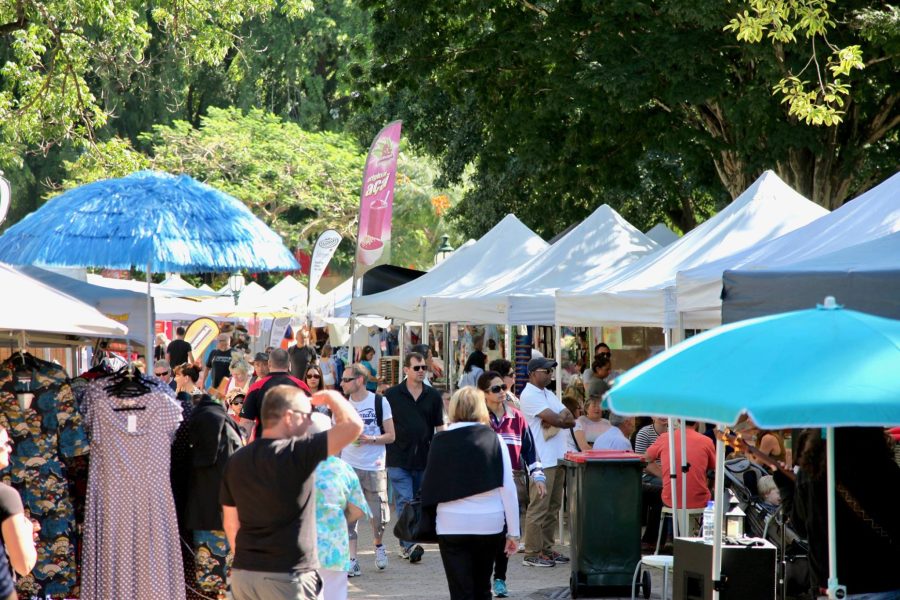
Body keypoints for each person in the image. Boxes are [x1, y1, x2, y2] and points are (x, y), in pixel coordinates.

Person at [220, 387, 363, 600]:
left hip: (244, 575)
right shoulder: (298, 453)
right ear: (289, 417)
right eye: (305, 416)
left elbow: (231, 524)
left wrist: (248, 560)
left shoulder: (236, 460)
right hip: (287, 575)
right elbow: (353, 427)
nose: (308, 423)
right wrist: (333, 398)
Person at [774, 428, 900, 598]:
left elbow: (801, 527)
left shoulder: (812, 473)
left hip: (831, 583)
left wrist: (785, 486)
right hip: (883, 580)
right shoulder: (886, 469)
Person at [420, 387, 520, 600]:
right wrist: (513, 532)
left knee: (460, 590)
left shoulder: (440, 441)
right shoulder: (495, 440)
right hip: (489, 523)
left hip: (451, 523)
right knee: (482, 587)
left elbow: (430, 484)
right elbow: (508, 489)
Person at [478, 371, 545, 598]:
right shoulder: (477, 419)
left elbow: (529, 450)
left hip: (511, 482)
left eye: (503, 387)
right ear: (483, 394)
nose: (501, 392)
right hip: (482, 483)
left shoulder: (517, 417)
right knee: (486, 533)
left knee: (506, 533)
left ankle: (500, 578)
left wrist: (538, 476)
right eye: (495, 389)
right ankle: (482, 578)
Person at [383, 351, 445, 564]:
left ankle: (406, 541)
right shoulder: (391, 396)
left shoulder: (433, 396)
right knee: (405, 500)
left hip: (424, 459)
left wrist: (442, 453)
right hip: (398, 457)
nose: (421, 371)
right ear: (406, 370)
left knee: (418, 502)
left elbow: (440, 428)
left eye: (423, 368)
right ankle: (409, 546)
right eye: (416, 368)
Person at [185, 391, 243, 599]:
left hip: (205, 514)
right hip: (229, 512)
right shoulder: (226, 424)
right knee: (229, 581)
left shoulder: (201, 422)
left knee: (212, 581)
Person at [340, 363, 395, 576]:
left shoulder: (380, 402)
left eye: (346, 380)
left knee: (378, 517)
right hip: (349, 466)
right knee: (349, 515)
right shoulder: (342, 406)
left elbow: (391, 435)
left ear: (360, 380)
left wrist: (370, 438)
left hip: (374, 466)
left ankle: (379, 545)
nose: (342, 384)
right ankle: (352, 560)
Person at [519, 357, 575, 568]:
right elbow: (559, 420)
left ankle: (547, 549)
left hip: (557, 456)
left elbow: (569, 417)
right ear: (533, 373)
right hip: (541, 460)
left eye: (551, 371)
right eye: (546, 371)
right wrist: (559, 419)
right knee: (539, 506)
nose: (550, 374)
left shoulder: (548, 393)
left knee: (553, 507)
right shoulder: (529, 395)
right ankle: (532, 553)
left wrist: (561, 419)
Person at [309, 413, 370, 600]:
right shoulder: (342, 468)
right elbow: (358, 509)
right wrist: (336, 519)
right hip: (335, 546)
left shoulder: (288, 465)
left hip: (300, 547)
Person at [0, 427, 38, 598]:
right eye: (5, 443)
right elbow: (23, 564)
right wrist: (27, 533)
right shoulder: (6, 497)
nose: (10, 448)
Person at [239, 349, 309, 441]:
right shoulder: (301, 386)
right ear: (289, 365)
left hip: (264, 446)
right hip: (294, 447)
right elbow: (312, 419)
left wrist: (240, 449)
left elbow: (246, 423)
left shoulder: (256, 387)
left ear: (269, 364)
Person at [644, 421, 716, 510]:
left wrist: (665, 475)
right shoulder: (707, 441)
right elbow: (713, 470)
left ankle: (668, 523)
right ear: (697, 421)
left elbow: (645, 460)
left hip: (671, 500)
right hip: (700, 501)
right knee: (716, 494)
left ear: (678, 420)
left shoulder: (666, 438)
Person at [634, 417, 667, 549]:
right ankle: (653, 539)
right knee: (665, 489)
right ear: (652, 416)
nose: (663, 415)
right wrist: (666, 477)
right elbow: (643, 461)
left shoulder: (674, 432)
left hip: (669, 475)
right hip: (647, 476)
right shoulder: (644, 433)